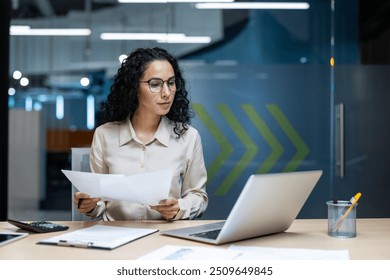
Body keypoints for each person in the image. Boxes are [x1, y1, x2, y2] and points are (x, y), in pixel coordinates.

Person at [73, 47, 208, 221]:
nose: (167, 93)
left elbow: (199, 196)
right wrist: (90, 205)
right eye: (155, 84)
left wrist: (179, 208)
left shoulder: (188, 136)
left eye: (171, 82)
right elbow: (99, 201)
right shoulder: (104, 135)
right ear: (134, 87)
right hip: (115, 238)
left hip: (164, 236)